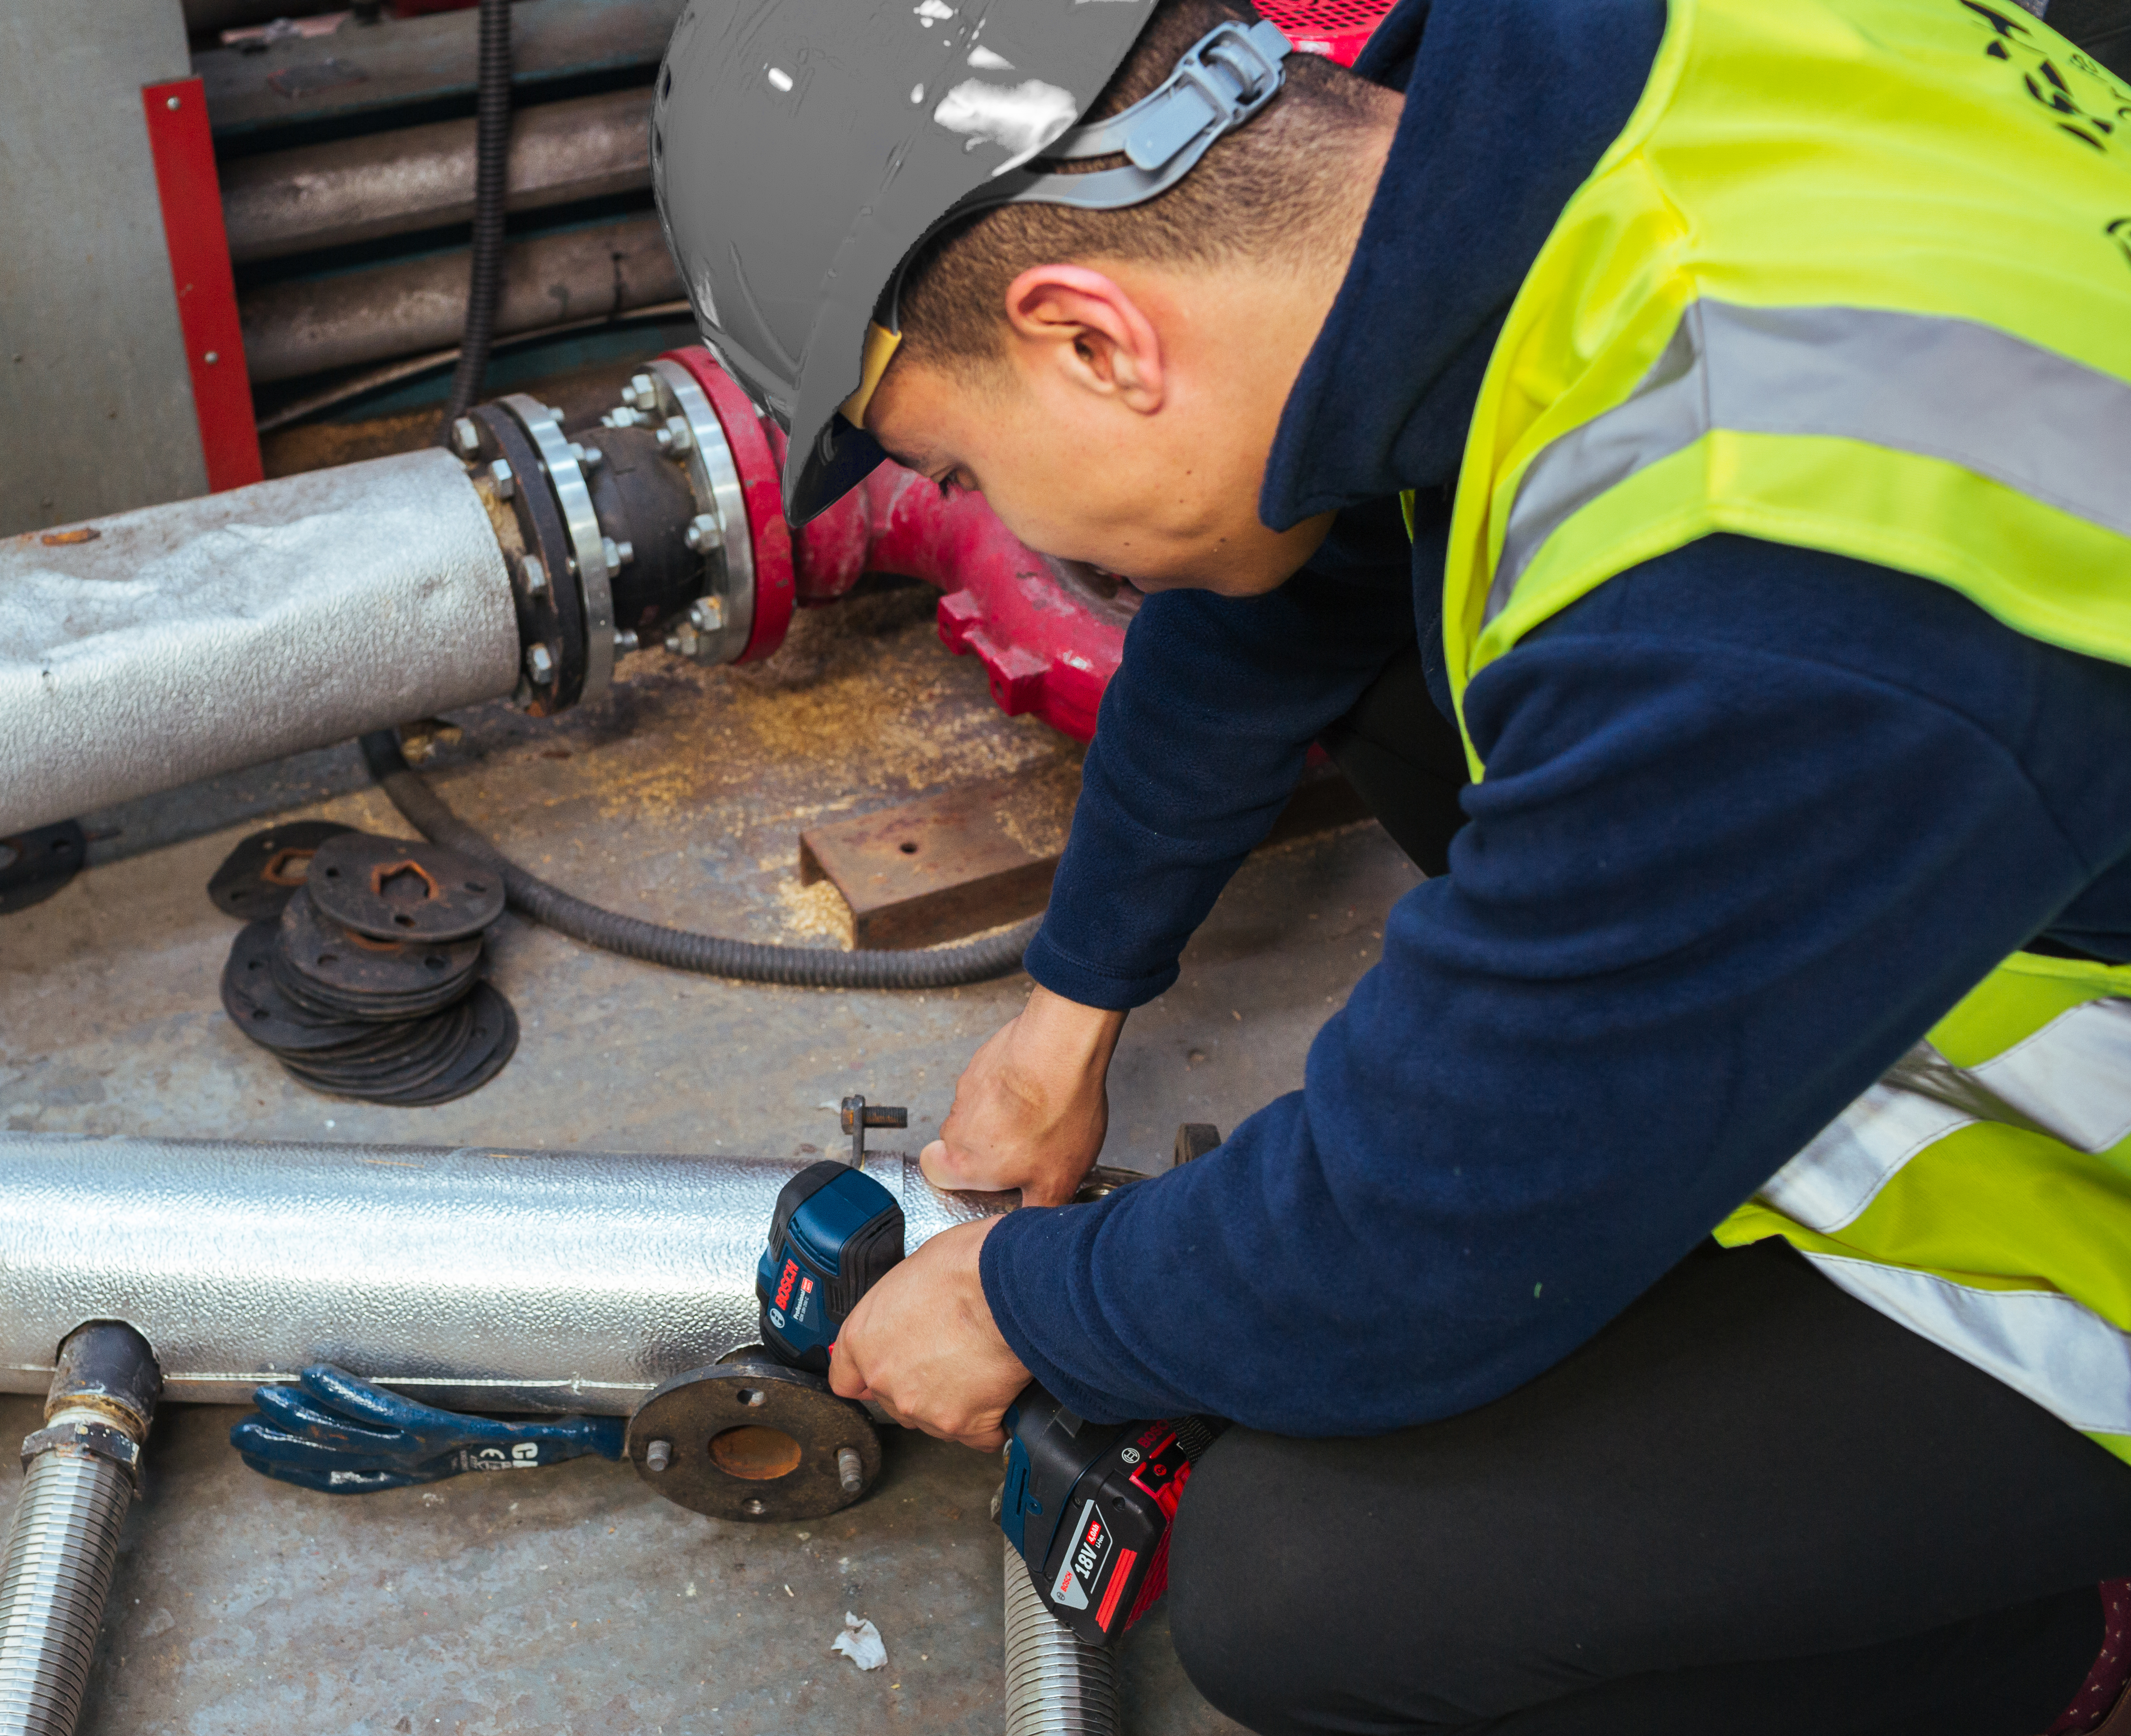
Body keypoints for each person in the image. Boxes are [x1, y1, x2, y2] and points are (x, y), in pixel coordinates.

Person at [653, 0, 2131, 1729]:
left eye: (962, 468)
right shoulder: (1518, 95)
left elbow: (1417, 1250)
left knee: (1322, 1595)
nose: (1018, 528)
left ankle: (2035, 1657)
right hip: (1970, 800)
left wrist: (1022, 1299)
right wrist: (1076, 1002)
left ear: (1094, 338)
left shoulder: (1756, 582)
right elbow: (1295, 550)